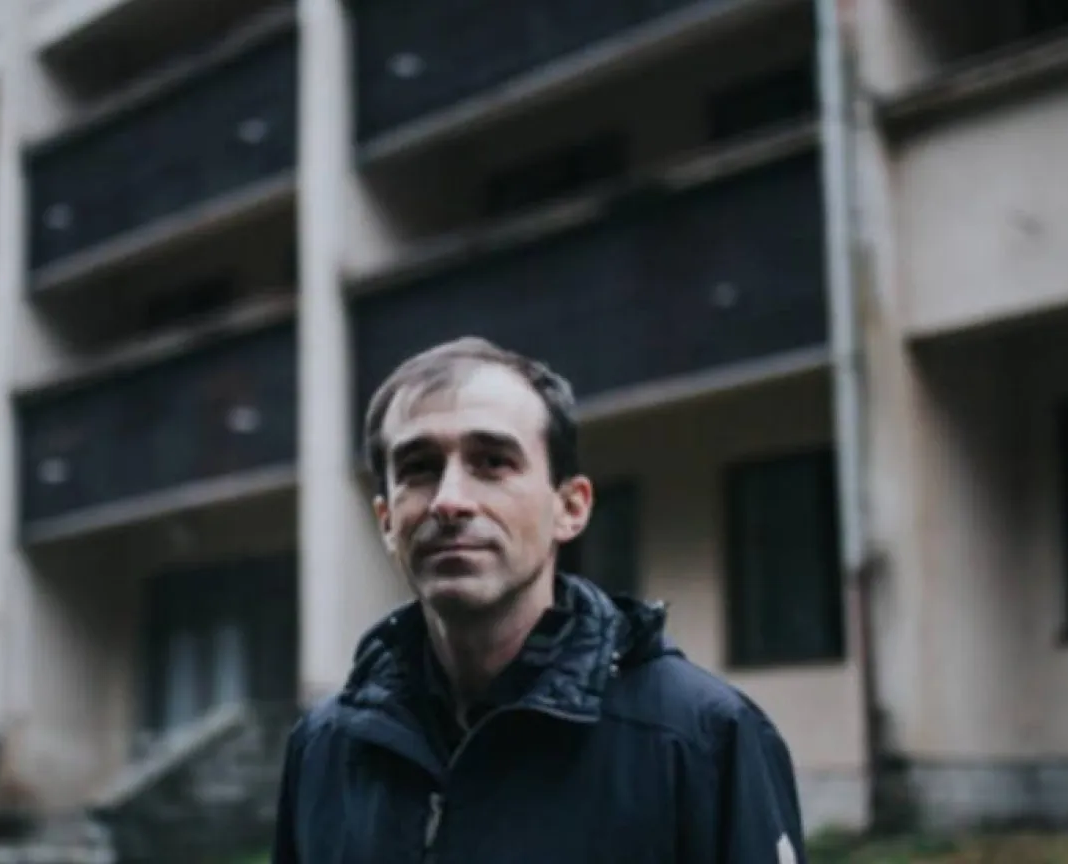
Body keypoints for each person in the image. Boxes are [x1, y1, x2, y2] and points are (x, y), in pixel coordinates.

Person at [273, 337, 810, 863]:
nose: (450, 501)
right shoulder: (324, 750)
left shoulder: (703, 739)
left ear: (570, 508)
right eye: (419, 468)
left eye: (492, 461)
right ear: (387, 522)